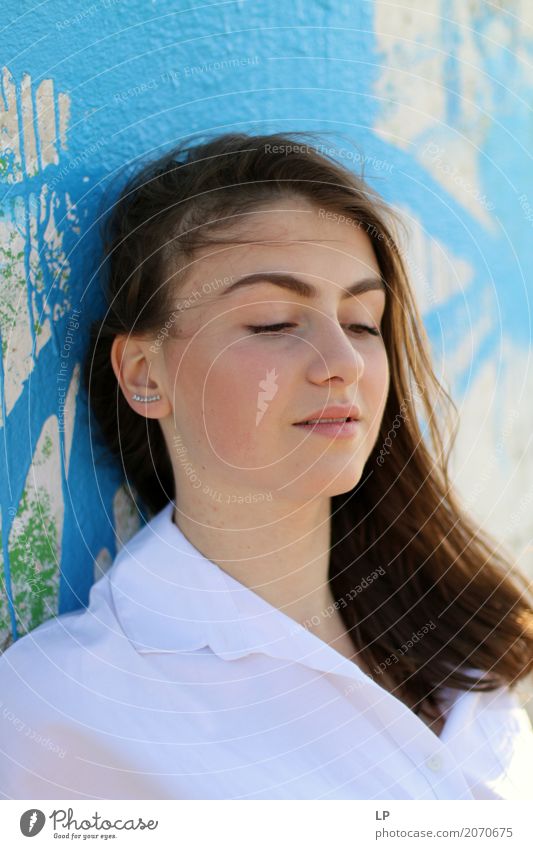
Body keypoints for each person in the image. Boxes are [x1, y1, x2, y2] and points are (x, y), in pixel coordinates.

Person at [1, 131, 532, 800]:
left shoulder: (456, 640)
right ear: (145, 374)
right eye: (275, 321)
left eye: (363, 321)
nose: (341, 359)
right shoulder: (66, 707)